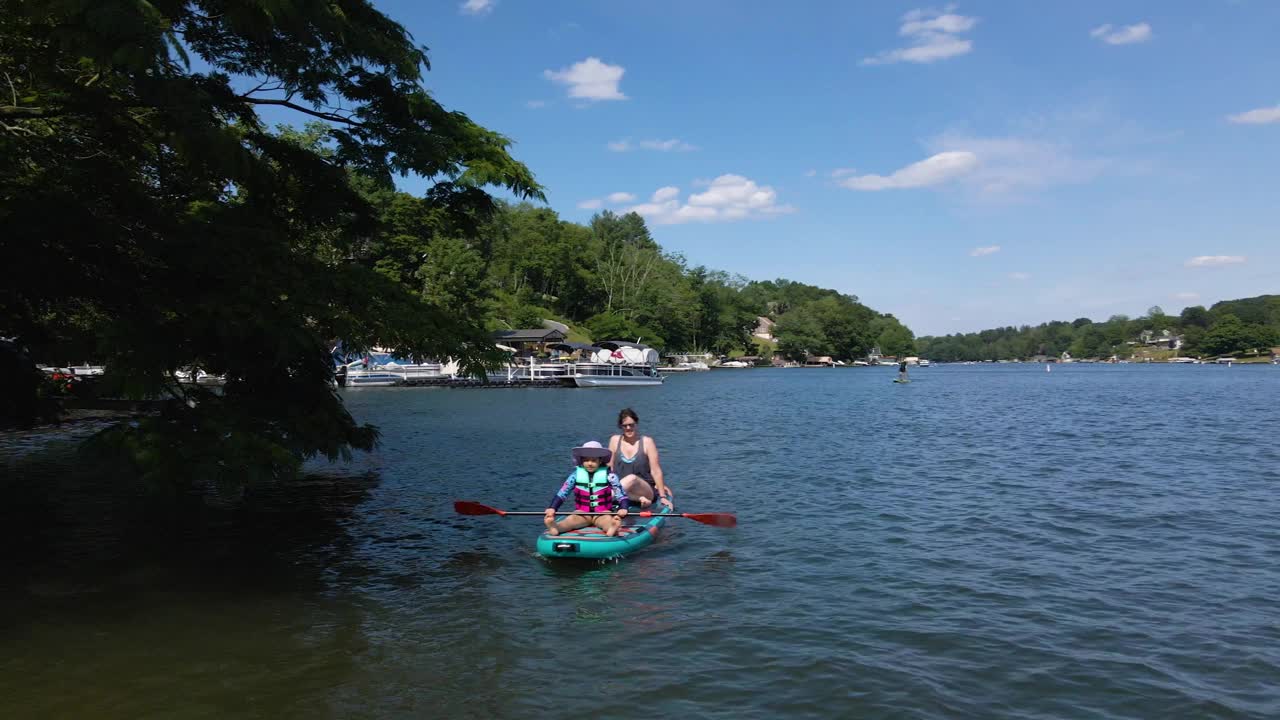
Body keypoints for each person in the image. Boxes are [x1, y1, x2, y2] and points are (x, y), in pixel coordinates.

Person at [544, 441, 629, 537]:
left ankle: (612, 527)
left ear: (600, 461)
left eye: (593, 460)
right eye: (587, 460)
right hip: (582, 513)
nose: (590, 463)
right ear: (582, 461)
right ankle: (556, 527)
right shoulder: (575, 475)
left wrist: (623, 508)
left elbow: (621, 495)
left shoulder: (610, 476)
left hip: (602, 512)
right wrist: (552, 508)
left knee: (607, 521)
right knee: (570, 520)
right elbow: (562, 493)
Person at [608, 408, 673, 509]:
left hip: (645, 489)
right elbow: (609, 468)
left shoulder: (647, 442)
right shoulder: (614, 440)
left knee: (632, 478)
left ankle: (603, 499)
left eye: (631, 425)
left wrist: (662, 495)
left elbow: (655, 471)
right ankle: (639, 499)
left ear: (636, 424)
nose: (628, 428)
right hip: (624, 491)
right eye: (625, 426)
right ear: (621, 426)